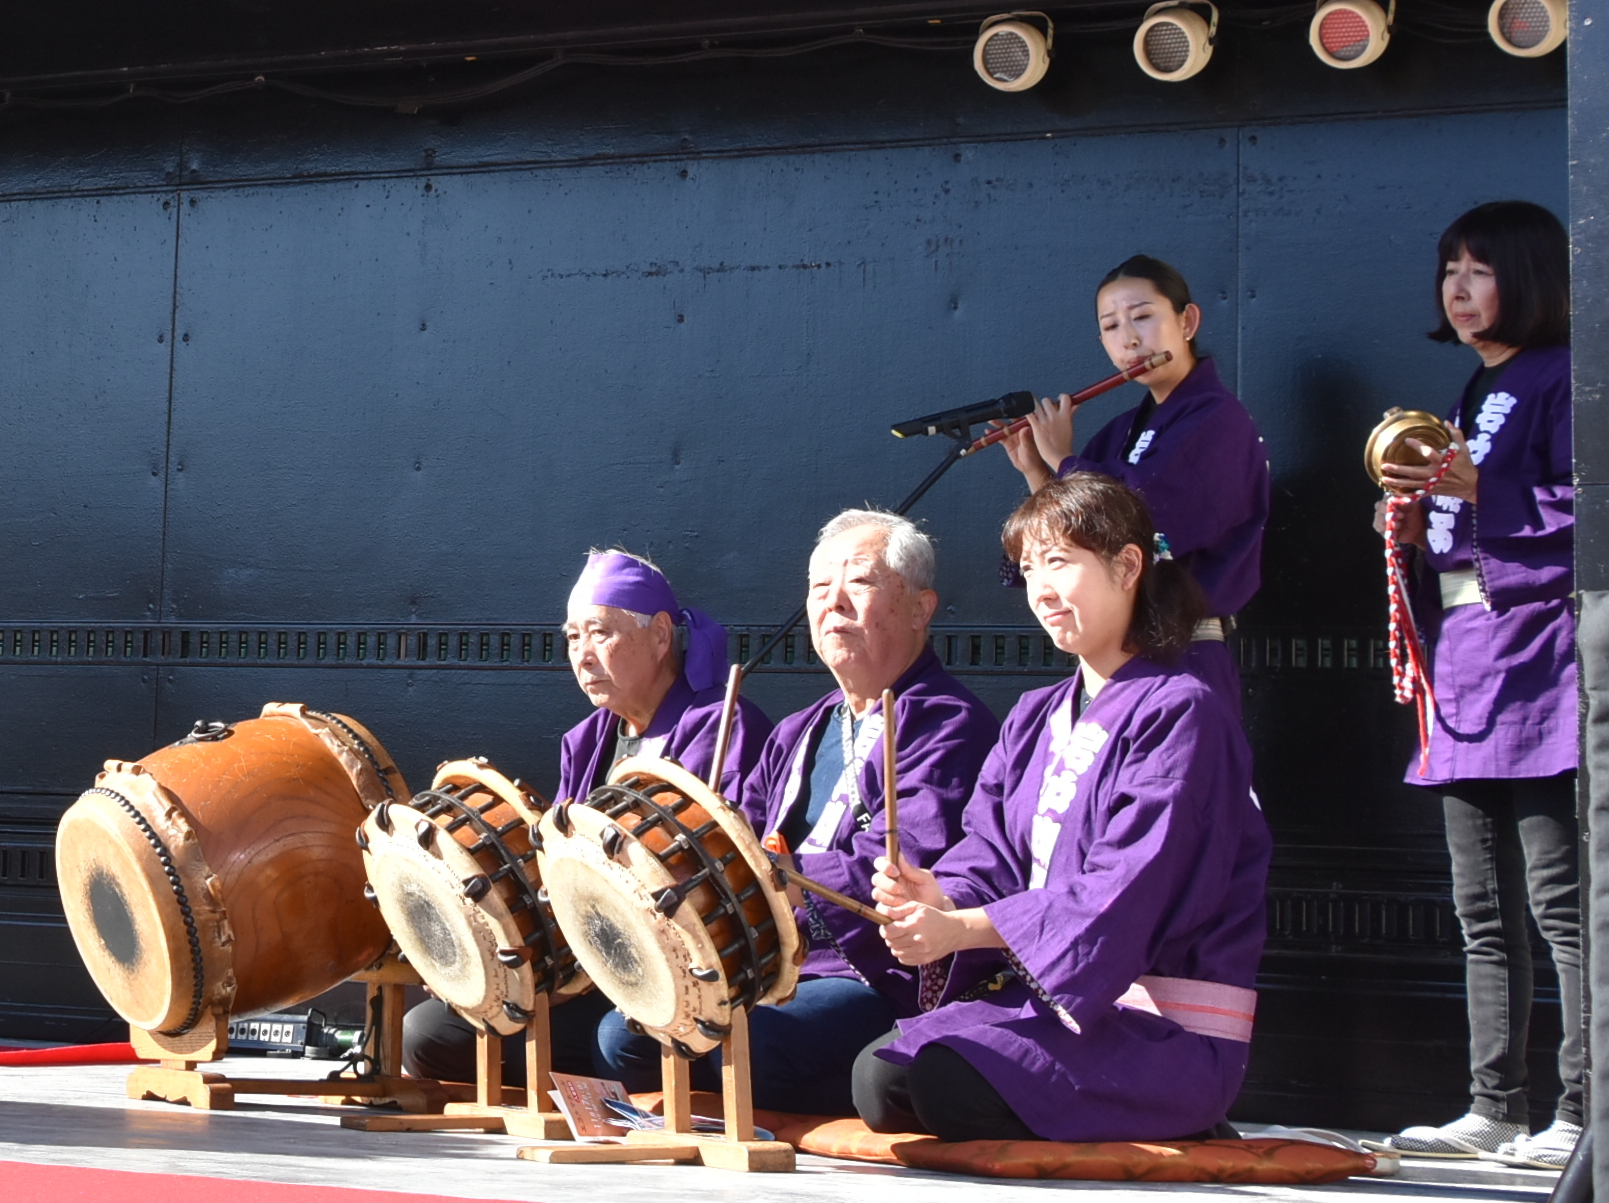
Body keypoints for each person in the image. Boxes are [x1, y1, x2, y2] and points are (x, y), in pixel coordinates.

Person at [856, 472, 1268, 1142]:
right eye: (1028, 568)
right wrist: (937, 894)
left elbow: (1126, 889)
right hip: (1058, 1005)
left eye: (1060, 561)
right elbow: (988, 852)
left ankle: (1179, 1116)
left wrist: (961, 929)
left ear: (1128, 564)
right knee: (879, 1079)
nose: (1040, 589)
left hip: (1160, 1025)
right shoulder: (1033, 717)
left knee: (945, 1085)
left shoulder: (1185, 711)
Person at [582, 510, 997, 1113]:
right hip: (771, 965)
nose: (835, 603)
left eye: (860, 583)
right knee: (626, 1037)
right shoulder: (803, 728)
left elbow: (904, 863)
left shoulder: (946, 722)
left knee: (744, 1041)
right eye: (819, 588)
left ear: (920, 608)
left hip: (866, 972)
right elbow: (736, 835)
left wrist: (780, 877)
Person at [1375, 200, 1583, 1168]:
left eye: (1480, 268)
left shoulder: (1567, 377)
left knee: (1560, 899)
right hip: (1464, 662)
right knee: (1481, 905)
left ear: (1531, 277)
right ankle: (1495, 1102)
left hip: (1538, 659)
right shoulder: (1469, 385)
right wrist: (1418, 531)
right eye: (1449, 267)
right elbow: (1466, 529)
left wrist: (1472, 495)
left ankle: (1580, 1108)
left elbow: (1584, 514)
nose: (1457, 287)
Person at [401, 548, 768, 1084]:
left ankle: (600, 1082)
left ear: (662, 635)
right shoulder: (590, 741)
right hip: (591, 971)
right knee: (430, 1034)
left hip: (680, 975)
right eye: (573, 637)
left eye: (600, 633)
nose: (583, 654)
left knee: (618, 1043)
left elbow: (725, 881)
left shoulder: (721, 728)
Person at [1002, 255, 1269, 717]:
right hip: (1115, 656)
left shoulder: (1219, 419)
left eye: (1143, 317)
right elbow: (1077, 538)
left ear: (1187, 320)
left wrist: (1064, 459)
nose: (1129, 339)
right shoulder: (1122, 429)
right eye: (1111, 326)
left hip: (1184, 652)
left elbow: (1144, 521)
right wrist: (1037, 472)